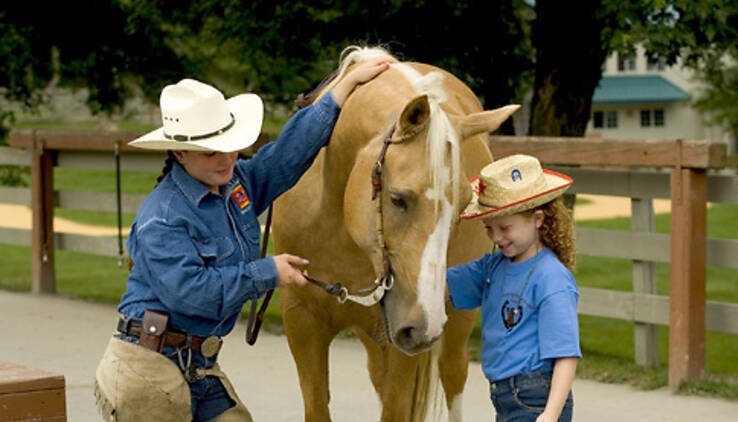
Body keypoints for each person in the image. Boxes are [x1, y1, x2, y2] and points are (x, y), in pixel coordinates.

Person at [94, 57, 393, 422]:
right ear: (179, 153)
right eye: (211, 152)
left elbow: (286, 156)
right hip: (146, 368)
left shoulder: (234, 184)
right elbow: (192, 292)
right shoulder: (162, 218)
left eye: (231, 145)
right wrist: (268, 272)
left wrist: (341, 90)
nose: (226, 159)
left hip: (197, 364)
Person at [446, 154, 580, 422]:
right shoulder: (494, 267)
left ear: (538, 219)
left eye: (505, 227)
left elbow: (566, 354)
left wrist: (551, 414)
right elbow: (444, 285)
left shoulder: (551, 278)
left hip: (536, 398)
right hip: (505, 396)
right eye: (489, 229)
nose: (496, 238)